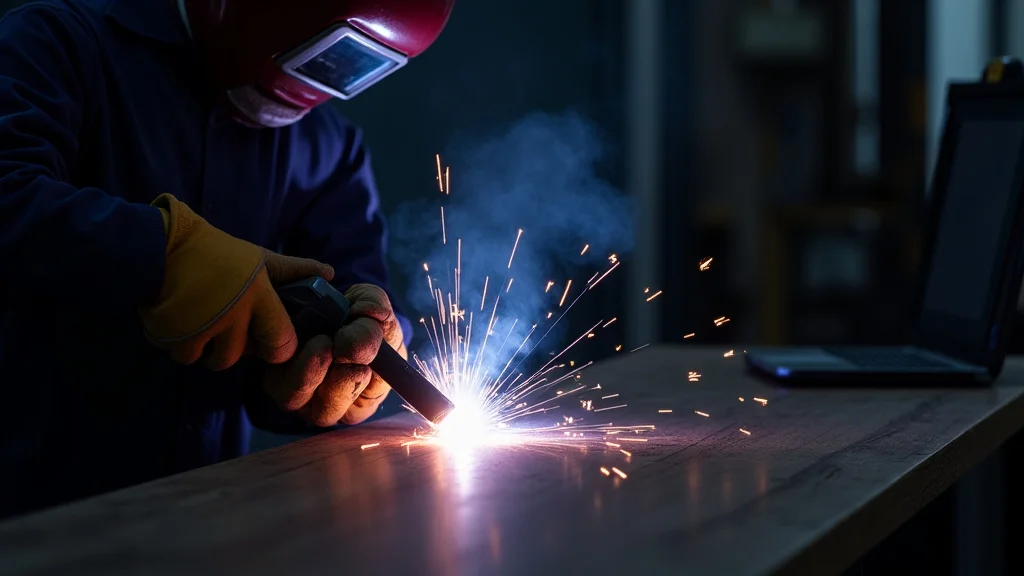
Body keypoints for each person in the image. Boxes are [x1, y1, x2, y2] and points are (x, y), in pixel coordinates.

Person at [0, 0, 454, 518]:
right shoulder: (60, 42)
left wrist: (339, 374)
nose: (314, 84)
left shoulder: (331, 149)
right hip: (30, 508)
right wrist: (158, 253)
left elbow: (354, 302)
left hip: (209, 519)